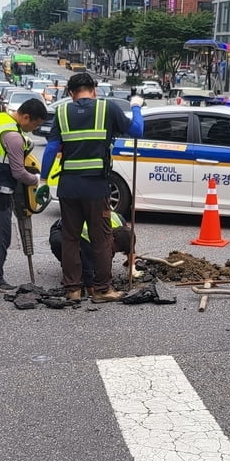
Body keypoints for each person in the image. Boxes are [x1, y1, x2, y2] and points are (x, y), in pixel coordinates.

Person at [38, 71, 144, 302]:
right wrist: (136, 107)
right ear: (94, 90)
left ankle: (73, 290)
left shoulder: (62, 112)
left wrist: (44, 181)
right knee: (102, 238)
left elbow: (51, 148)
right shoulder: (107, 108)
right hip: (96, 188)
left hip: (68, 187)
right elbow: (137, 131)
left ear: (70, 93)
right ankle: (102, 290)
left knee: (70, 238)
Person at [0, 96, 48, 292]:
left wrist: (25, 141)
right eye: (35, 125)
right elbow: (19, 172)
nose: (35, 129)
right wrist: (36, 180)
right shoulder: (14, 137)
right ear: (26, 117)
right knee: (0, 235)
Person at [48, 212, 133, 291]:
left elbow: (129, 240)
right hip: (62, 230)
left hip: (85, 225)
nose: (114, 252)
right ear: (112, 238)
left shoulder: (120, 221)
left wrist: (132, 265)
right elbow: (87, 266)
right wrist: (93, 288)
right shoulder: (91, 237)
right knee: (62, 245)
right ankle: (70, 270)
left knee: (103, 254)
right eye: (115, 250)